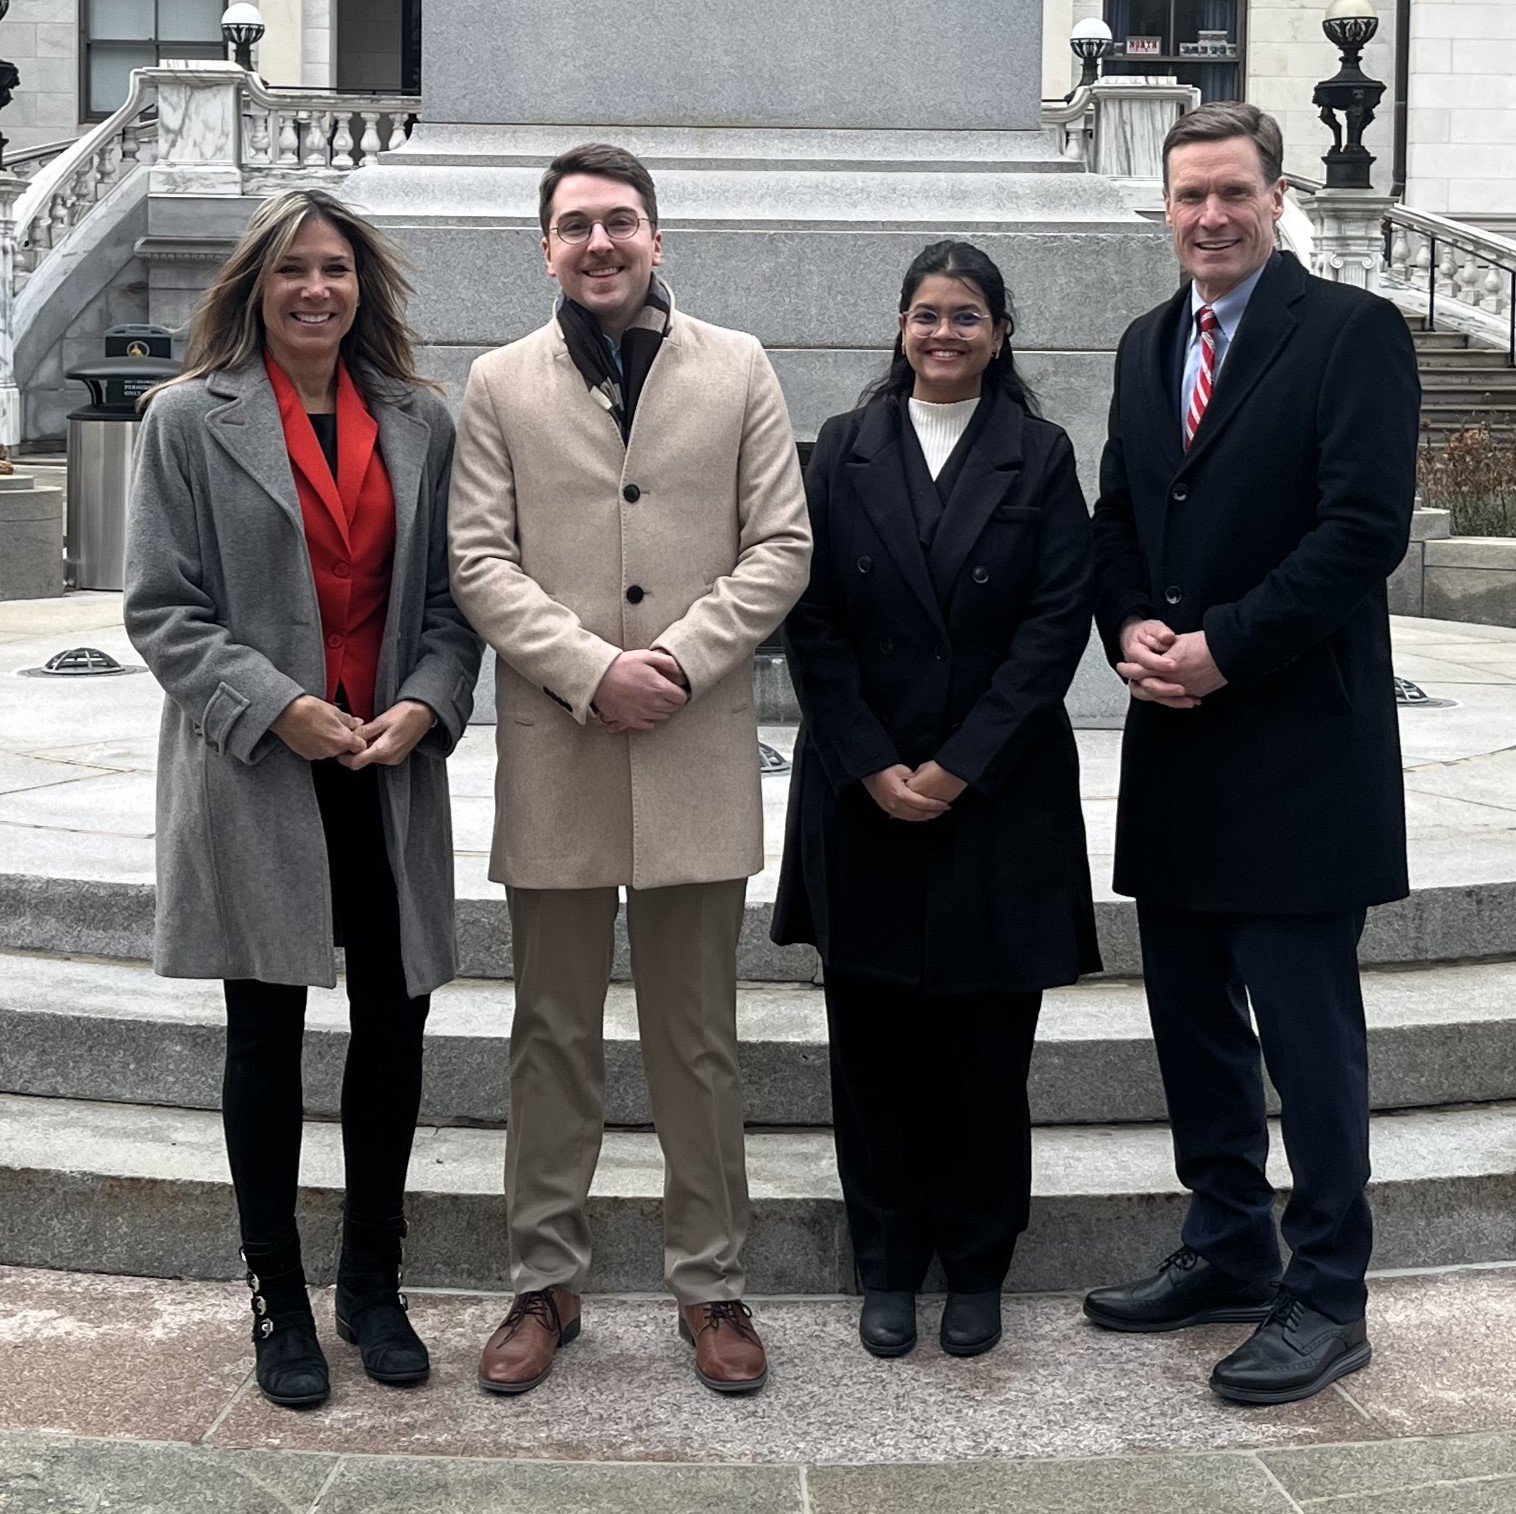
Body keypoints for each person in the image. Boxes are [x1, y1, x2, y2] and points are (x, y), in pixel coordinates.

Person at [447, 142, 811, 1397]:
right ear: (542, 246)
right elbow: (478, 560)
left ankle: (711, 1280)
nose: (598, 243)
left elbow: (781, 544)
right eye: (573, 226)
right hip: (561, 751)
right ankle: (544, 1278)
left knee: (696, 1039)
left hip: (694, 745)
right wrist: (591, 667)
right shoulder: (496, 382)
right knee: (548, 1032)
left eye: (620, 222)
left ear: (659, 236)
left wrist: (678, 660)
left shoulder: (741, 365)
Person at [124, 188, 482, 1410]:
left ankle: (371, 1283)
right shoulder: (185, 418)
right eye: (292, 272)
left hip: (385, 766)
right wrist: (278, 704)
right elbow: (162, 607)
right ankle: (276, 1293)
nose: (315, 289)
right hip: (259, 766)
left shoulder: (421, 421)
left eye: (334, 268)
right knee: (265, 1032)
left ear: (361, 286)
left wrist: (427, 705)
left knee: (394, 1024)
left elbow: (447, 606)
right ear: (256, 288)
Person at [1083, 103, 1419, 1404]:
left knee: (1307, 1035)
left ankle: (1329, 1291)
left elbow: (1362, 532)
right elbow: (1119, 513)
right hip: (1175, 747)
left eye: (1233, 193)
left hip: (1295, 752)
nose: (1210, 218)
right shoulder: (1142, 343)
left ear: (1277, 198)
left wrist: (1220, 646)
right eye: (1189, 198)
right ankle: (1226, 1242)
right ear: (1164, 208)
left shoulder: (1351, 334)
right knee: (1193, 1027)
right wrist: (1128, 627)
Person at [772, 240, 1101, 1359]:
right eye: (926, 313)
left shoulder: (1041, 455)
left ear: (1000, 332)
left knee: (982, 1051)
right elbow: (807, 620)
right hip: (860, 790)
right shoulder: (840, 450)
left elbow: (1056, 625)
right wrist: (870, 761)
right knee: (870, 1051)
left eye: (967, 315)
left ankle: (976, 1263)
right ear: (899, 327)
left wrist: (959, 764)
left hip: (995, 797)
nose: (945, 332)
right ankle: (885, 1259)